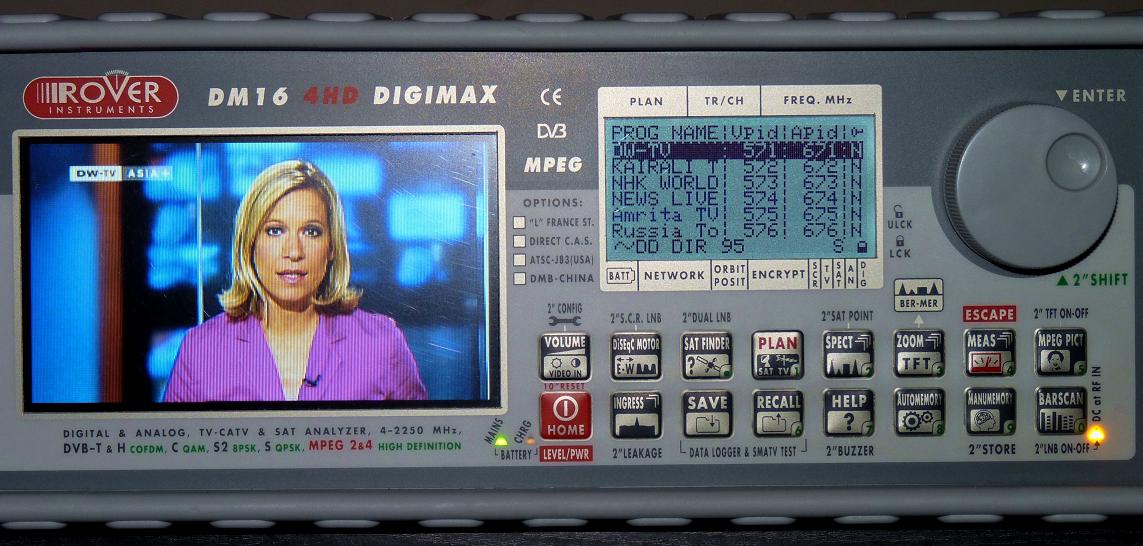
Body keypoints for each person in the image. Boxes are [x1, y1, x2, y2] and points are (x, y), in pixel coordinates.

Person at [164, 160, 427, 402]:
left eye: (311, 232)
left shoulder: (381, 342)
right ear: (250, 243)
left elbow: (420, 436)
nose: (294, 252)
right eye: (275, 231)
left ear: (332, 246)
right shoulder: (201, 349)